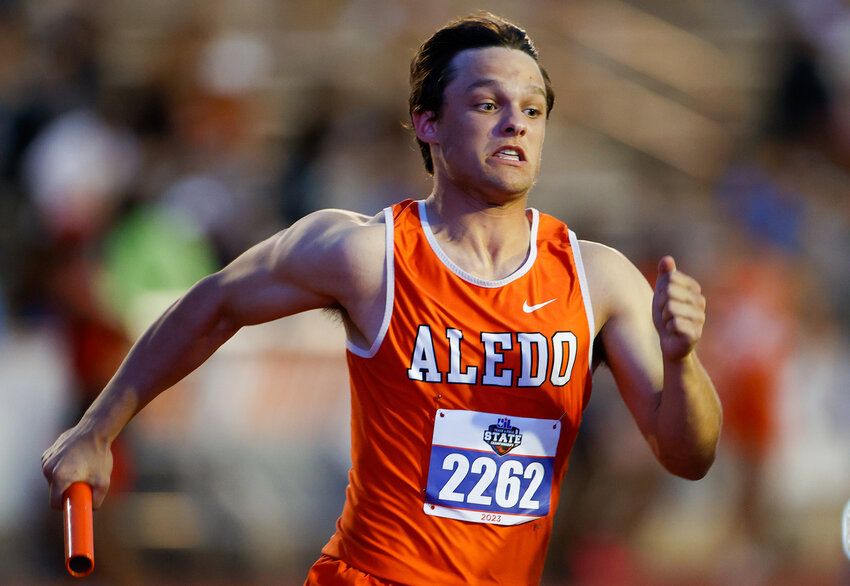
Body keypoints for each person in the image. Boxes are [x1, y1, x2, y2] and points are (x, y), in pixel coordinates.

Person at [42, 13, 722, 585]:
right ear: (427, 123)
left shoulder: (596, 279)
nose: (516, 122)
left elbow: (687, 456)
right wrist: (96, 431)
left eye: (533, 109)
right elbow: (214, 304)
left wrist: (682, 359)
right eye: (488, 104)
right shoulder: (367, 255)